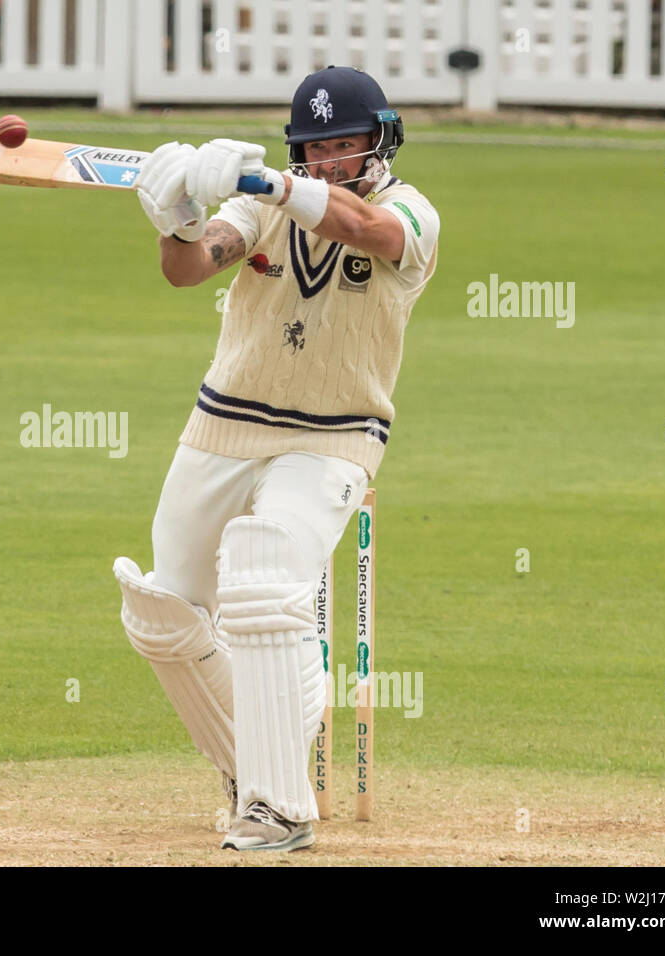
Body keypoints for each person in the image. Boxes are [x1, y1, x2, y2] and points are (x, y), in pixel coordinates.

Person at [113, 66, 439, 851]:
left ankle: (276, 809)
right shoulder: (259, 201)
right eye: (314, 148)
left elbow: (364, 232)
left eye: (345, 144)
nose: (328, 160)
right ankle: (253, 763)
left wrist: (276, 186)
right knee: (162, 614)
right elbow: (190, 269)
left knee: (263, 582)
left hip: (334, 438)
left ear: (379, 140)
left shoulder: (412, 213)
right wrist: (178, 219)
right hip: (224, 424)